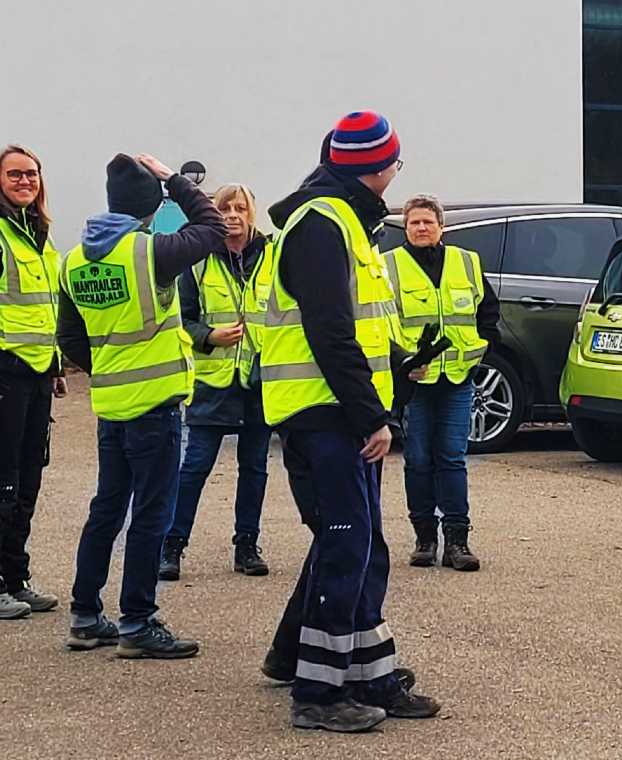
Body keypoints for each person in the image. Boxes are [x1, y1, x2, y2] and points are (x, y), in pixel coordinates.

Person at [261, 111, 437, 732]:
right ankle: (316, 693)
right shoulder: (323, 222)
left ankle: (370, 675)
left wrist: (397, 376)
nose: (396, 171)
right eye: (396, 161)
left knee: (363, 547)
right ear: (379, 167)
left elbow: (358, 329)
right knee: (346, 545)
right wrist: (371, 416)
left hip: (338, 412)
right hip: (325, 415)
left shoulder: (340, 220)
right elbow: (330, 332)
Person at [58, 153, 227, 657]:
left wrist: (108, 366)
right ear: (149, 208)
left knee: (107, 509)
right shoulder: (150, 251)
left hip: (111, 403)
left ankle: (85, 615)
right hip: (153, 405)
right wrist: (173, 180)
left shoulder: (74, 259)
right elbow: (213, 226)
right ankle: (137, 622)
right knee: (152, 513)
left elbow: (69, 335)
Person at [159, 184, 272, 581]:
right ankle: (171, 547)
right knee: (194, 468)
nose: (233, 214)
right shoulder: (199, 261)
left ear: (252, 212)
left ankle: (247, 545)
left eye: (241, 207)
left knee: (255, 467)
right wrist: (209, 336)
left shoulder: (273, 258)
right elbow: (180, 319)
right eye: (225, 208)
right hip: (213, 383)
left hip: (260, 383)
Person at [385, 194, 499, 571]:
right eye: (414, 222)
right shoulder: (390, 268)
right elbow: (380, 325)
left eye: (427, 222)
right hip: (415, 382)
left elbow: (489, 313)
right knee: (417, 459)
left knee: (452, 457)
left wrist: (479, 350)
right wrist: (401, 365)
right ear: (405, 226)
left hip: (457, 378)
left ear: (441, 227)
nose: (421, 228)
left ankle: (457, 540)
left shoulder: (466, 263)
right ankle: (424, 538)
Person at [0, 144, 64, 619]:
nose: (25, 181)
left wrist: (56, 363)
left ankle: (15, 576)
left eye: (32, 174)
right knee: (2, 481)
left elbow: (48, 309)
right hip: (6, 371)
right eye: (15, 174)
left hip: (38, 372)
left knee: (27, 480)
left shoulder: (39, 236)